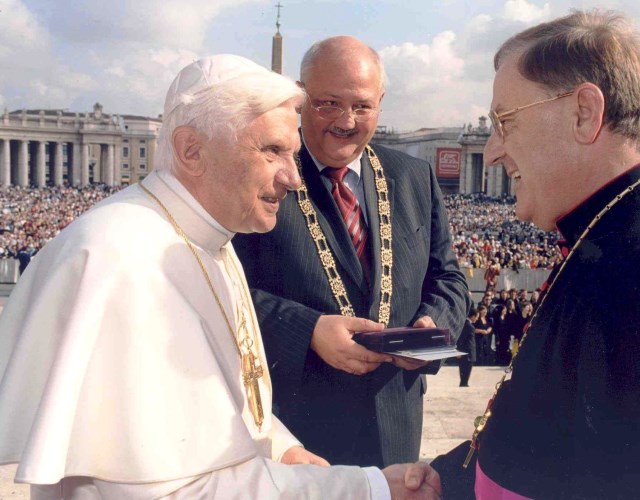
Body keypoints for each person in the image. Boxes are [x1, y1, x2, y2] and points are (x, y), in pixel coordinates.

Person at [0, 54, 440, 499]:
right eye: (272, 151)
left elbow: (221, 403)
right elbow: (179, 488)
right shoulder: (123, 262)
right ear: (192, 151)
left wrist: (281, 446)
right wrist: (369, 488)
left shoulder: (211, 239)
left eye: (291, 152)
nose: (294, 178)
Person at [434, 10, 640, 498]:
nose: (491, 151)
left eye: (504, 121)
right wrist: (447, 480)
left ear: (584, 113)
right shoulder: (616, 235)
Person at [233, 36, 469, 468]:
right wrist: (308, 331)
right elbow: (228, 290)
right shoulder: (262, 174)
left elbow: (449, 277)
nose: (346, 121)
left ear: (381, 101)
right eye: (327, 104)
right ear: (300, 98)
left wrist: (432, 326)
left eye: (362, 106)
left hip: (396, 418)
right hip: (298, 427)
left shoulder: (414, 176)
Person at [456, 309, 478, 387]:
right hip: (468, 351)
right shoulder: (469, 326)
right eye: (476, 317)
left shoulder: (464, 324)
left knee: (463, 368)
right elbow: (462, 339)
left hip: (463, 351)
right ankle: (464, 383)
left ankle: (463, 382)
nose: (477, 319)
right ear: (473, 316)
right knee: (467, 368)